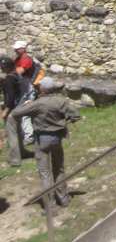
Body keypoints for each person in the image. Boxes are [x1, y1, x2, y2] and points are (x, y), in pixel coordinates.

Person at [11, 77, 81, 208]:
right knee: (59, 169)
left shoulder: (37, 104)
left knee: (45, 172)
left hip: (42, 140)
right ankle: (63, 199)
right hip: (57, 138)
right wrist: (63, 122)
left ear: (42, 89)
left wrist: (26, 104)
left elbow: (15, 113)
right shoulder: (61, 101)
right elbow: (76, 115)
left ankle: (50, 204)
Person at [0, 54, 31, 166]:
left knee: (12, 134)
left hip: (12, 110)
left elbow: (10, 97)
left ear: (5, 67)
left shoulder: (9, 79)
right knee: (18, 132)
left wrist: (5, 111)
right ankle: (22, 152)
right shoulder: (17, 75)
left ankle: (14, 160)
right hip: (20, 107)